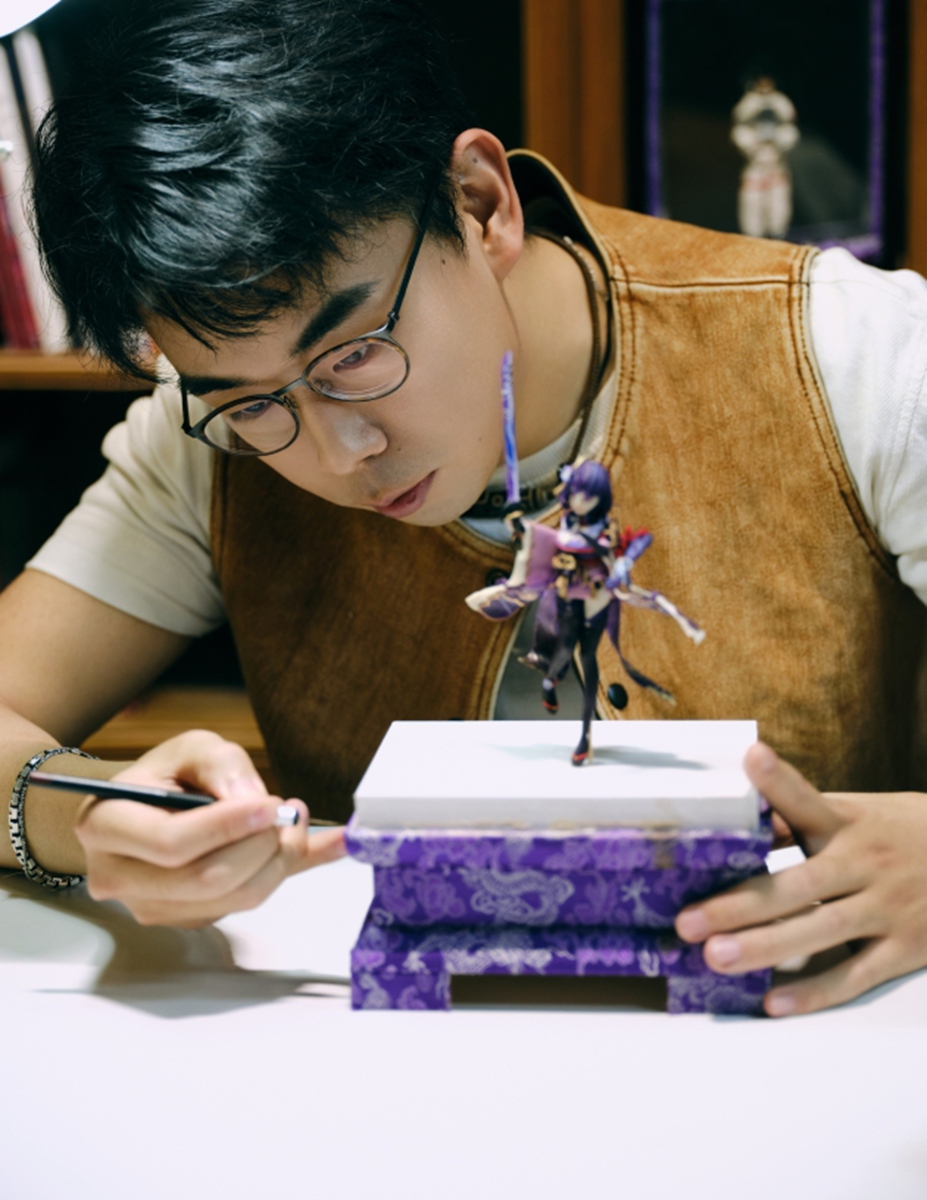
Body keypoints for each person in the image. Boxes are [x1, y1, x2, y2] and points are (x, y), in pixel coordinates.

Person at [1, 0, 926, 1014]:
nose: (339, 449)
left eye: (353, 353)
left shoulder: (849, 354)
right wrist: (79, 813)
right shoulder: (214, 447)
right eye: (255, 402)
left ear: (481, 204)